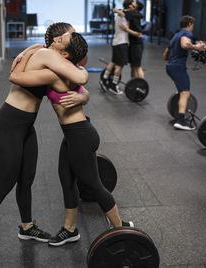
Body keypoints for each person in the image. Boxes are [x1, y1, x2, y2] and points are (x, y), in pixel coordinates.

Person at [0, 24, 90, 264]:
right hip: (6, 126)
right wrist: (81, 78)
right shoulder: (45, 55)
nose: (71, 38)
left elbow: (78, 87)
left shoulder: (50, 57)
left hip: (25, 127)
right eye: (68, 35)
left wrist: (83, 95)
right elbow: (80, 76)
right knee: (4, 182)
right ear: (57, 41)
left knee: (26, 179)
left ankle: (26, 226)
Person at [9, 35, 133, 248]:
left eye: (60, 40)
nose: (55, 40)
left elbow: (16, 76)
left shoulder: (53, 73)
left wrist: (24, 53)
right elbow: (81, 76)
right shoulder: (68, 67)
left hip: (80, 135)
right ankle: (69, 230)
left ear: (65, 53)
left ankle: (121, 229)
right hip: (73, 134)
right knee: (67, 181)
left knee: (94, 185)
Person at [163, 15, 206, 130]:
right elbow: (185, 44)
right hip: (177, 68)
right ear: (190, 24)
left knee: (182, 90)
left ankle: (180, 110)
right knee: (185, 93)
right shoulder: (187, 34)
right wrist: (197, 47)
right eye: (192, 25)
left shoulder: (175, 36)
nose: (192, 27)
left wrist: (175, 57)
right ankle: (181, 121)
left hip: (170, 67)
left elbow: (165, 56)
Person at [99, 0, 142, 95]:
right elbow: (139, 15)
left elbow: (117, 10)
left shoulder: (121, 13)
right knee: (120, 65)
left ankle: (104, 80)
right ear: (130, 6)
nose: (133, 7)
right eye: (132, 5)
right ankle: (114, 85)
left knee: (113, 62)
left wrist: (117, 11)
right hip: (122, 43)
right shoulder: (125, 14)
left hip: (115, 42)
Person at [114, 0, 145, 79]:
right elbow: (121, 12)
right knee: (133, 66)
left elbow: (139, 34)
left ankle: (141, 85)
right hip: (131, 44)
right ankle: (133, 84)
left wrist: (126, 29)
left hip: (137, 45)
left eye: (133, 6)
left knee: (138, 67)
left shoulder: (136, 17)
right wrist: (117, 10)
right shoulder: (131, 14)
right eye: (131, 4)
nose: (130, 6)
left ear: (136, 10)